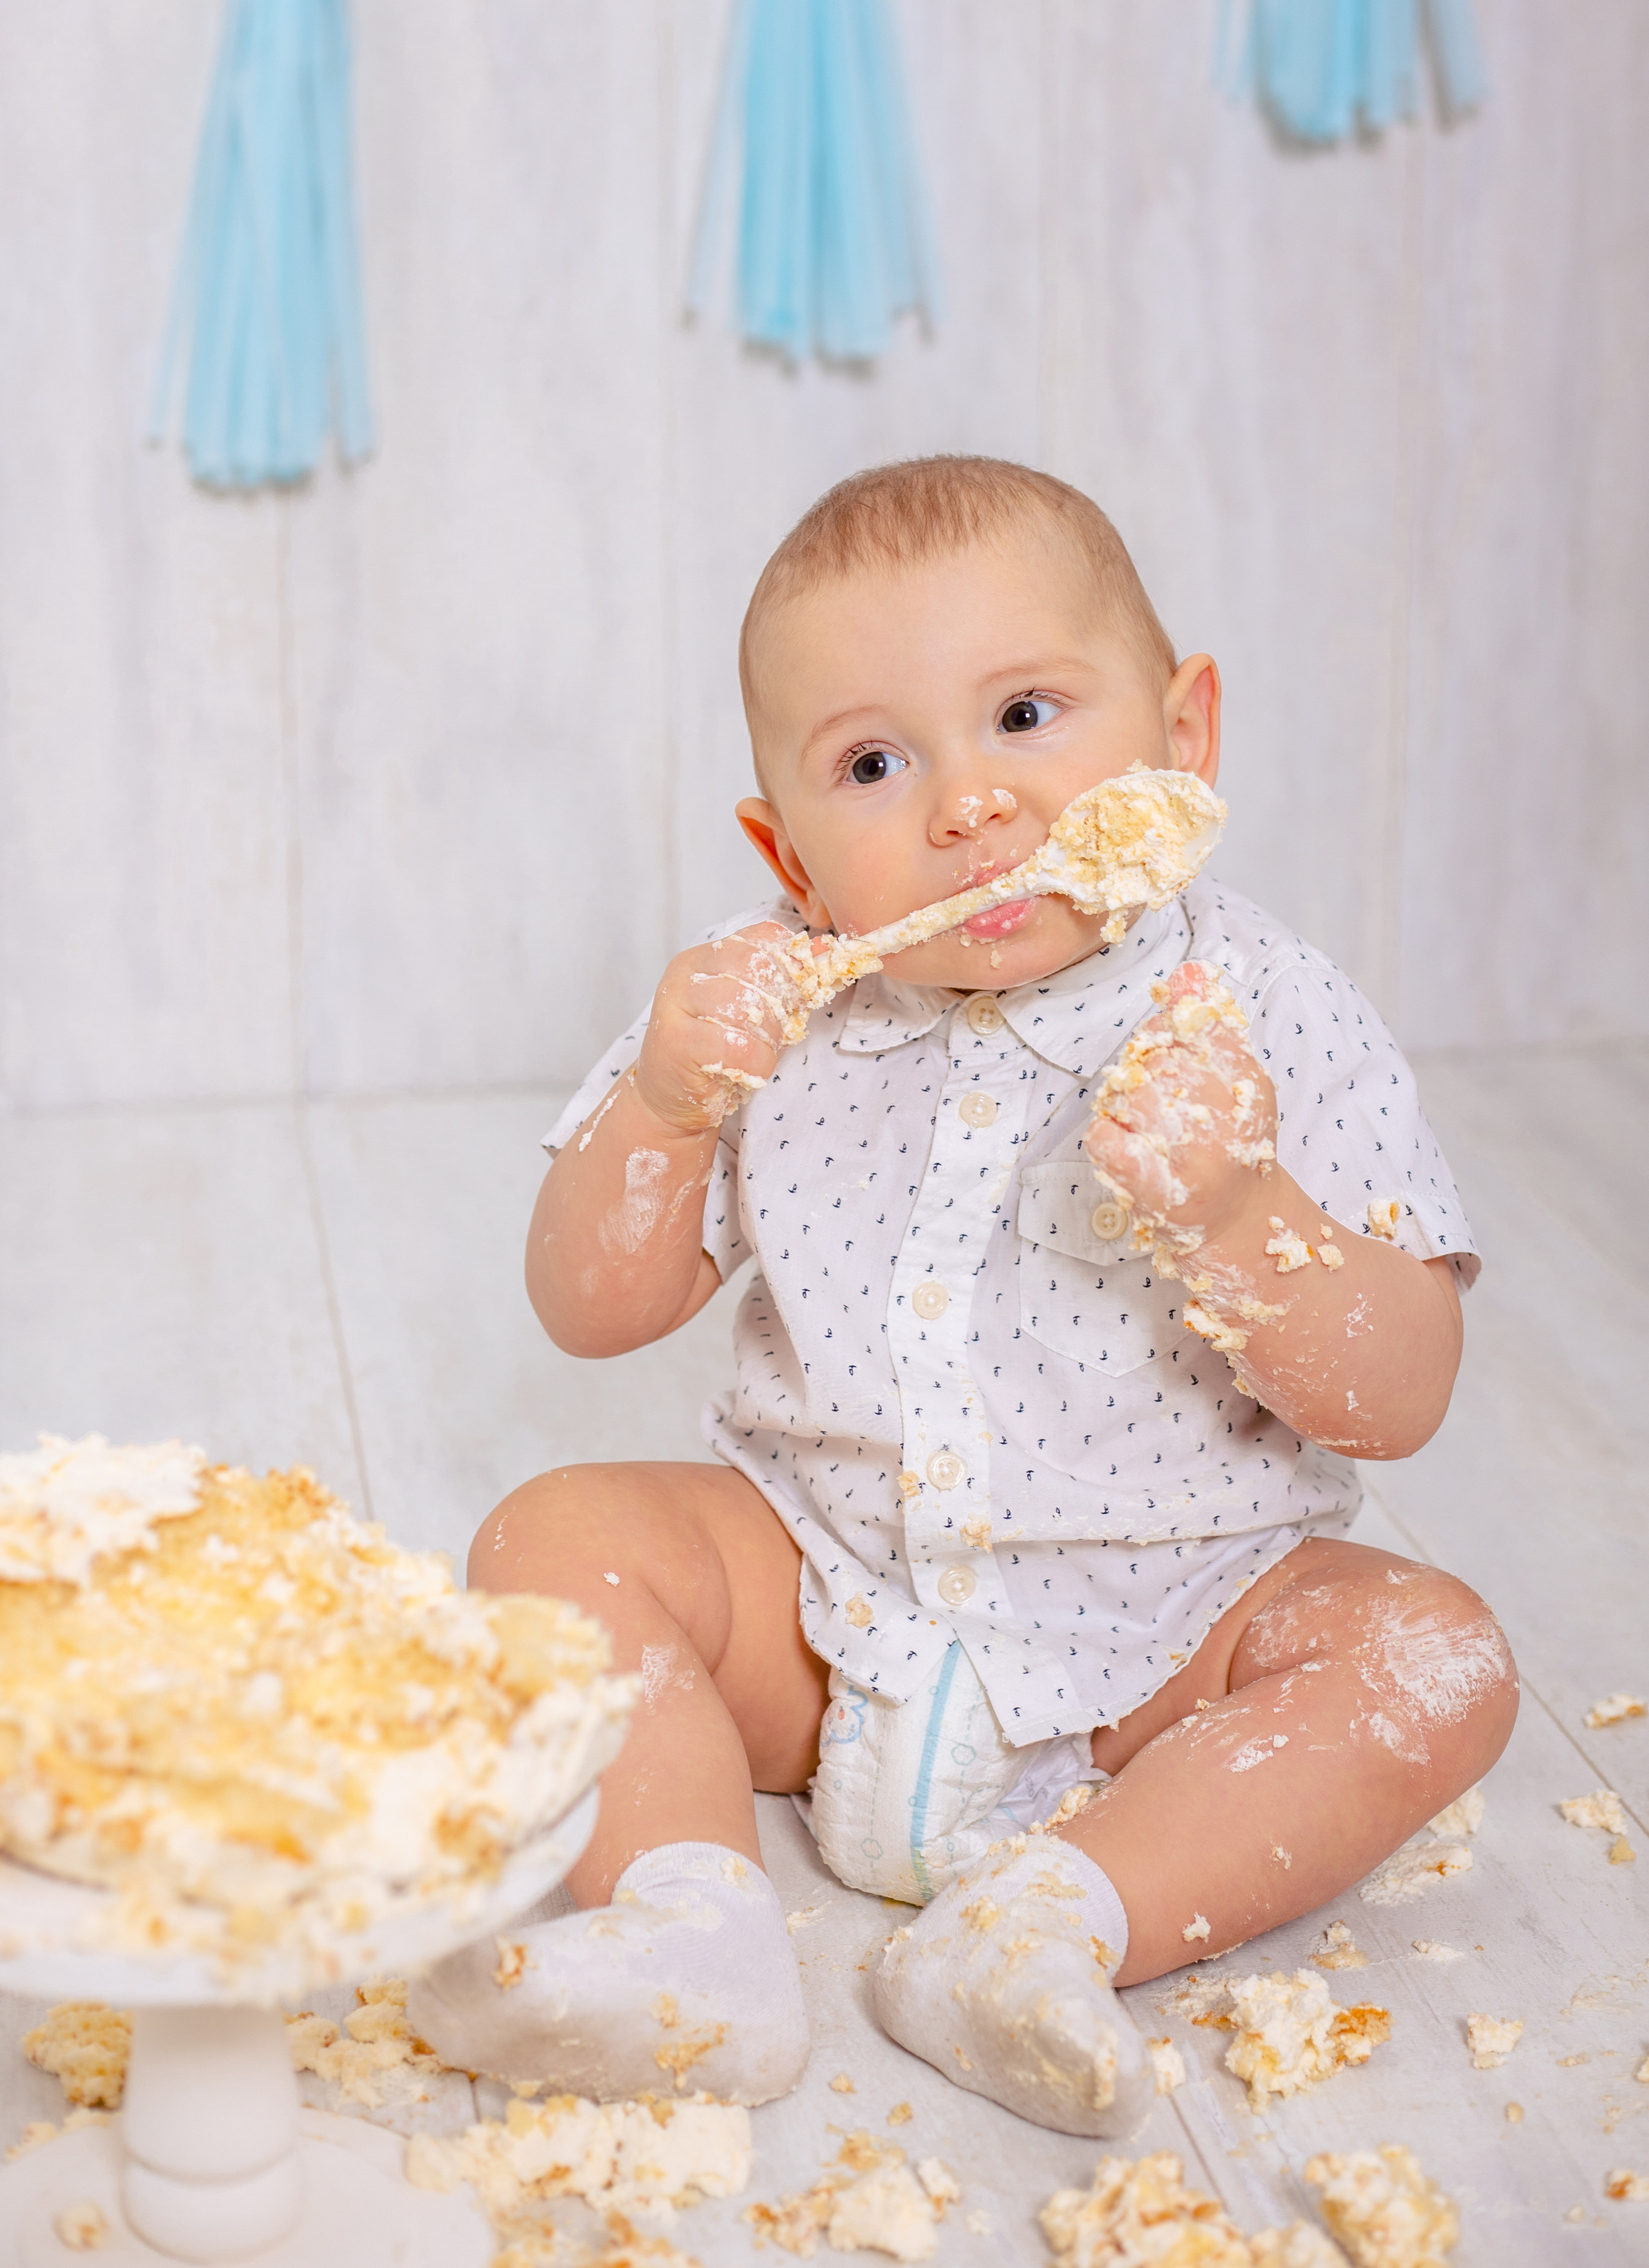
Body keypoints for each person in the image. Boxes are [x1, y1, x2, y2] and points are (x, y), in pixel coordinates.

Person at [410, 456, 1516, 2133]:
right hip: (819, 1600)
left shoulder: (1273, 1013)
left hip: (1165, 1645)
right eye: (873, 762)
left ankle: (1046, 1924)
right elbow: (594, 1305)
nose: (968, 806)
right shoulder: (760, 1016)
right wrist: (660, 1104)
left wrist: (1239, 1207)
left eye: (1026, 716)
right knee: (553, 1539)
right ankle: (692, 1930)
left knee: (1426, 1656)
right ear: (789, 850)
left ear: (1183, 735)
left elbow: (1403, 1391)